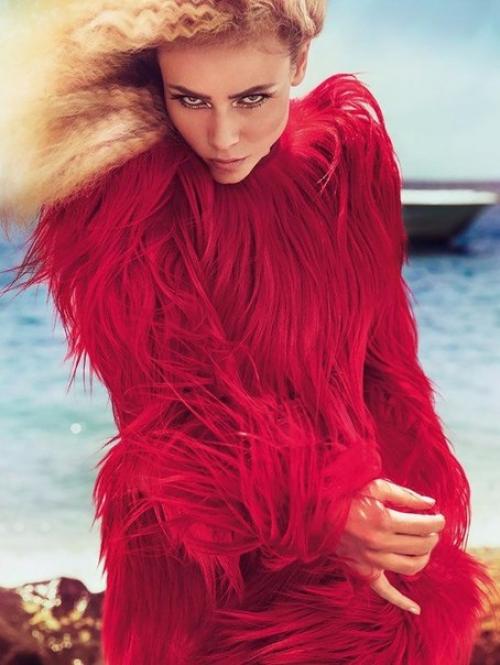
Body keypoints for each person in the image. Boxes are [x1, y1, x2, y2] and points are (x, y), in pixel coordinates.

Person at [0, 1, 494, 664]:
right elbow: (168, 410)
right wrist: (323, 514)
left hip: (364, 559)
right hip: (202, 569)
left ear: (300, 61)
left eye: (253, 98)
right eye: (189, 99)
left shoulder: (347, 155)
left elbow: (387, 364)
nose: (223, 136)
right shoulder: (122, 195)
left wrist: (410, 528)